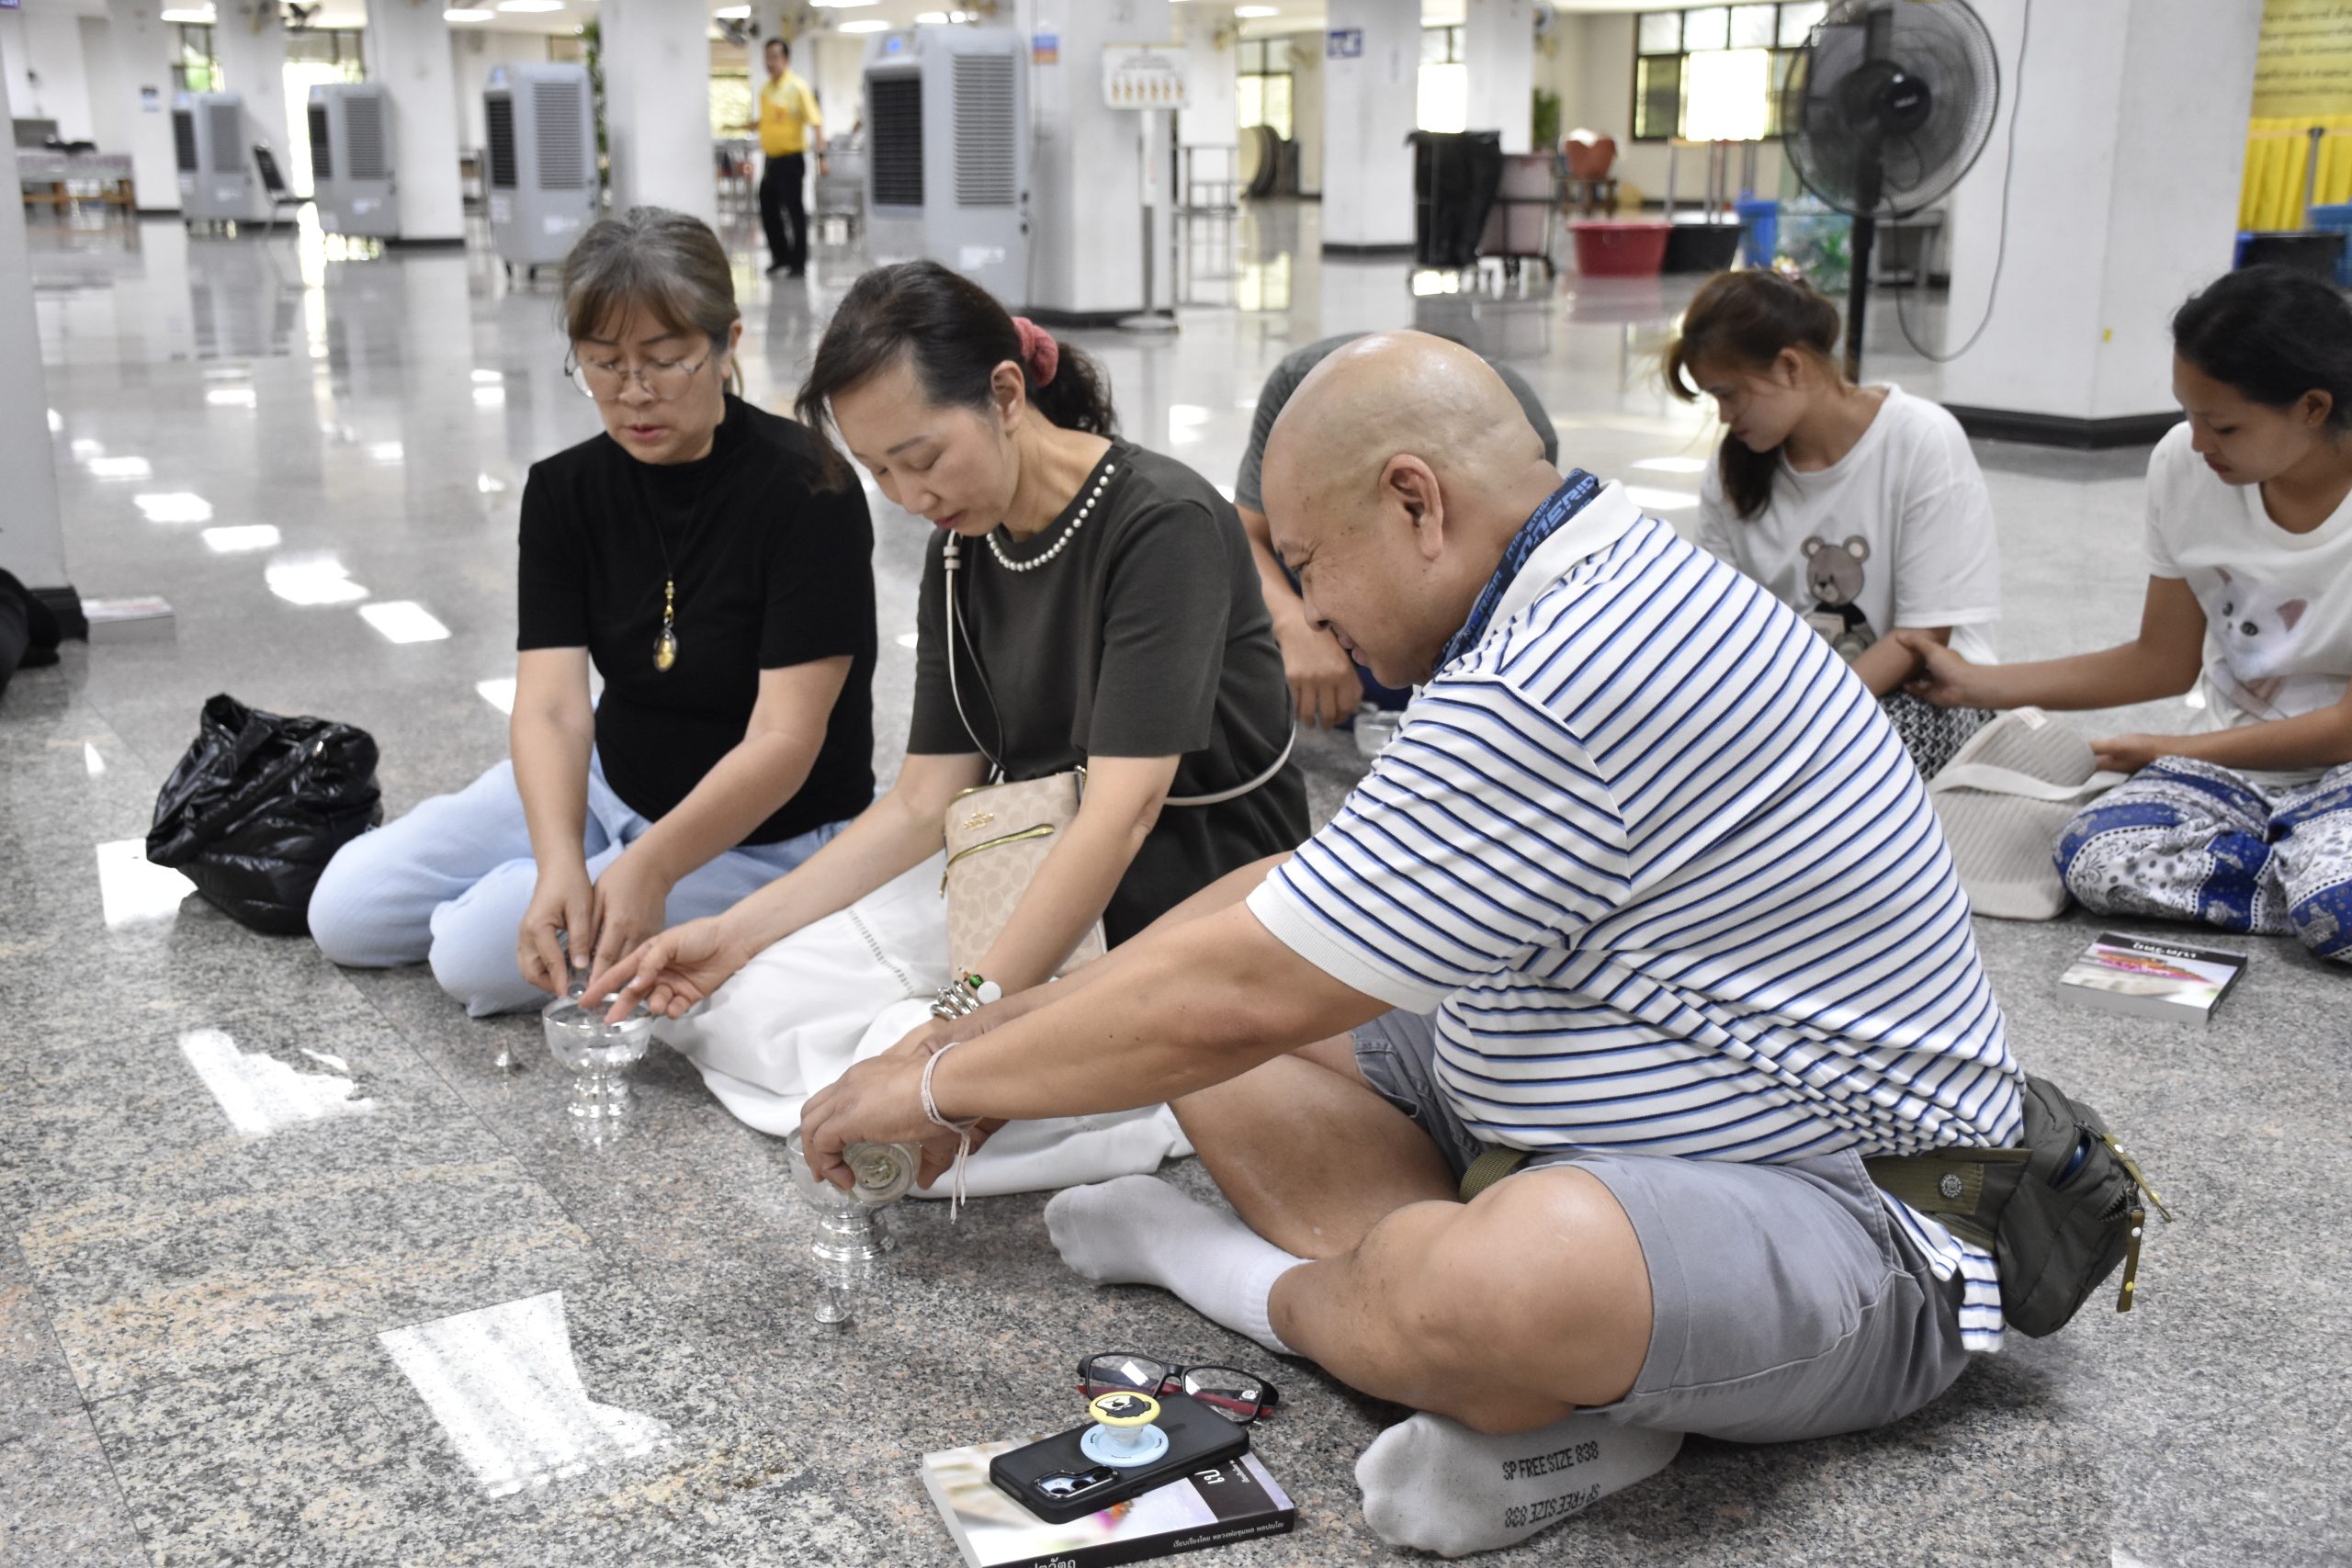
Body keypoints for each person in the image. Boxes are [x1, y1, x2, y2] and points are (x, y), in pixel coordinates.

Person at [797, 333, 2027, 1557]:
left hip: (1860, 1222)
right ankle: (1547, 1390)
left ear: (1414, 502)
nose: (1309, 610)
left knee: (1495, 1272)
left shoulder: (1567, 667)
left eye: (1307, 564)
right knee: (1183, 1015)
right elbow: (1282, 905)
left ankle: (1248, 1280)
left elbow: (1241, 991)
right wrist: (980, 1038)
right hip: (1577, 1102)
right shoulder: (1546, 601)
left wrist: (941, 1087)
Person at [593, 260, 1306, 1157]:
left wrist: (965, 1017)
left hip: (1181, 892)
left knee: (907, 1098)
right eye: (881, 472)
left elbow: (1123, 814)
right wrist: (735, 936)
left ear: (1005, 393)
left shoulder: (1161, 523)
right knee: (746, 1007)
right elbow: (923, 800)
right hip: (1029, 862)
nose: (911, 498)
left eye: (922, 458)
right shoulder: (964, 548)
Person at [309, 208, 876, 1016]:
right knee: (347, 911)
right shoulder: (564, 490)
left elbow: (784, 740)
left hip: (765, 834)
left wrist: (649, 867)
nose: (634, 394)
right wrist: (557, 861)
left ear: (727, 344)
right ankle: (548, 882)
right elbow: (550, 706)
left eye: (665, 362)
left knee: (471, 956)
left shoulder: (807, 489)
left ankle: (554, 896)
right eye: (604, 364)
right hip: (612, 781)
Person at [1903, 264, 2352, 961]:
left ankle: (2319, 883)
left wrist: (2174, 751)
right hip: (2236, 772)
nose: (2198, 442)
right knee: (2094, 858)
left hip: (2339, 768)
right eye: (2188, 414)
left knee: (2340, 908)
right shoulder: (2185, 466)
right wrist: (1975, 685)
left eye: (2223, 424)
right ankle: (2308, 878)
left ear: (2313, 407)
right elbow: (2161, 660)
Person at [1667, 268, 2002, 776]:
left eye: (1729, 394)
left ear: (1789, 367)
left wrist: (1805, 721)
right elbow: (1724, 624)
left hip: (1928, 694)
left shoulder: (1921, 440)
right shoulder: (1731, 470)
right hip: (1795, 700)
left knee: (1832, 772)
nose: (1724, 416)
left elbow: (1923, 637)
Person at [1234, 332, 1559, 728]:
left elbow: (1512, 577)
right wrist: (1291, 623)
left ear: (1418, 506)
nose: (1312, 614)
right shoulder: (1298, 388)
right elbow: (1244, 535)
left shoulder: (1508, 409)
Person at [750, 38, 824, 277]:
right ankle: (780, 257)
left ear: (786, 59)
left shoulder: (798, 87)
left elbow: (816, 122)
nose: (770, 62)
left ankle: (798, 262)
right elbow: (768, 121)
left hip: (791, 160)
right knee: (767, 207)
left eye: (774, 57)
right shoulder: (765, 89)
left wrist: (821, 157)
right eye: (767, 57)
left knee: (794, 211)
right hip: (770, 160)